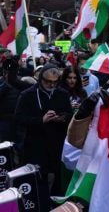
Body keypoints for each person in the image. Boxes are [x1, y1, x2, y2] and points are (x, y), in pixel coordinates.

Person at [14, 64, 72, 197]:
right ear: (40, 79)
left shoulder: (62, 93)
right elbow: (18, 118)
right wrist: (41, 120)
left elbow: (69, 115)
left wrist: (62, 118)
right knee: (38, 180)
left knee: (58, 177)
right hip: (36, 144)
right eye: (48, 82)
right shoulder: (27, 95)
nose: (52, 85)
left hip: (57, 142)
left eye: (55, 82)